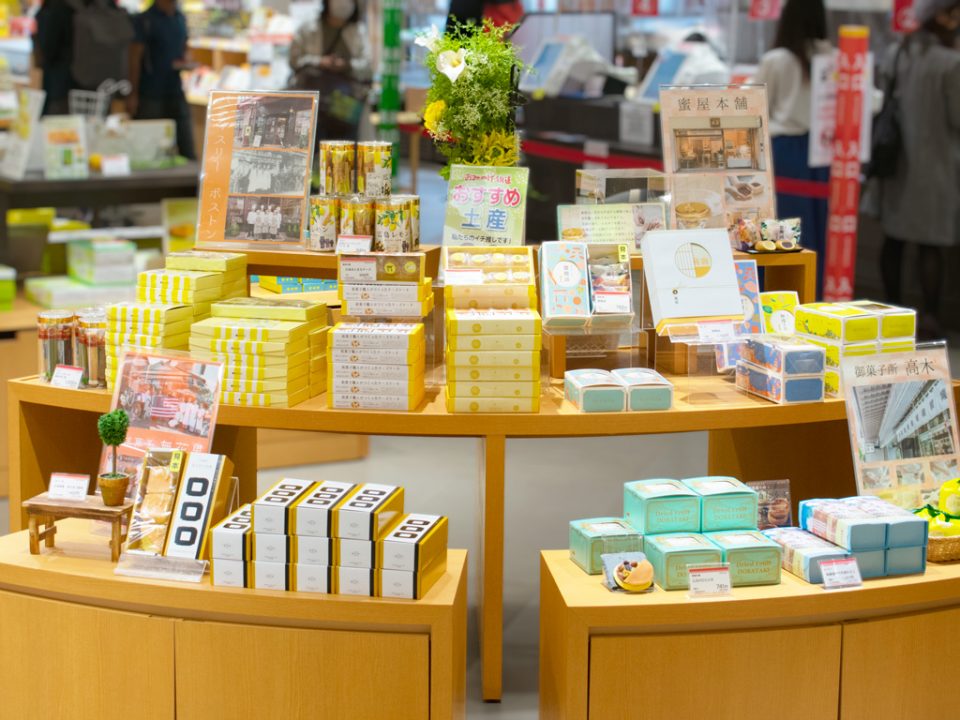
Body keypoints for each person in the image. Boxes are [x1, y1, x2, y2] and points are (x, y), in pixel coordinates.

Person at [876, 0, 960, 339]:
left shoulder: (898, 53)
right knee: (930, 245)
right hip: (936, 165)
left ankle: (891, 311)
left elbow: (883, 95)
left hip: (896, 163)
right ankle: (930, 319)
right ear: (939, 18)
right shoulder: (951, 63)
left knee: (893, 240)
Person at [753, 0, 832, 297]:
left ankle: (774, 295)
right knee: (816, 228)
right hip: (823, 153)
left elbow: (756, 104)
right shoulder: (833, 57)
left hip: (783, 151)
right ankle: (813, 294)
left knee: (780, 230)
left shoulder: (777, 59)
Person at [289, 0, 371, 139]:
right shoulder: (308, 29)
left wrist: (346, 65)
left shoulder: (358, 32)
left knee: (344, 150)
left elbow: (368, 67)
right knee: (311, 144)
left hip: (346, 105)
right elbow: (294, 60)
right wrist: (319, 61)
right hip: (312, 102)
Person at [127, 0, 196, 159]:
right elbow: (134, 59)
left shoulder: (180, 18)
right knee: (148, 148)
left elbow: (184, 48)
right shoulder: (144, 20)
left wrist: (186, 61)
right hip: (150, 92)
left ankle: (190, 181)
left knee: (187, 146)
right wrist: (133, 94)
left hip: (175, 90)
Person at [33, 0, 76, 115]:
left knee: (55, 109)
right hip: (61, 67)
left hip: (58, 68)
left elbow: (50, 44)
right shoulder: (65, 7)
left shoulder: (56, 8)